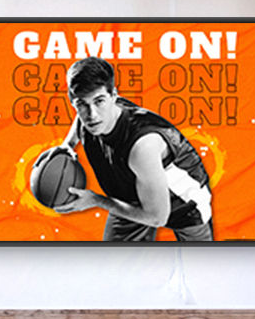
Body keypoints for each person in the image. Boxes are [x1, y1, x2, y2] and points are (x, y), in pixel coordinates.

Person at [52, 56, 214, 242]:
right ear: (73, 101)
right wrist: (68, 144)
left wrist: (97, 200)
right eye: (82, 104)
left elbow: (157, 217)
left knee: (199, 268)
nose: (92, 115)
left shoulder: (143, 146)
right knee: (115, 267)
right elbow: (85, 113)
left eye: (99, 101)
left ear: (114, 96)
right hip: (130, 194)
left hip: (183, 206)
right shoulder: (93, 114)